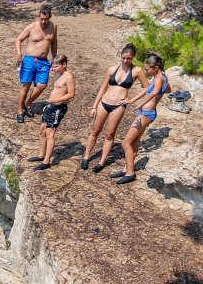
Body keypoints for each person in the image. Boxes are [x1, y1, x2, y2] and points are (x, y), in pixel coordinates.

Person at [81, 43, 148, 172]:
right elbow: (103, 88)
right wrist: (94, 106)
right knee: (95, 130)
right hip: (104, 102)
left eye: (128, 58)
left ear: (133, 57)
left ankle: (102, 161)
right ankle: (86, 156)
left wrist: (132, 99)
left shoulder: (136, 70)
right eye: (123, 57)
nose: (125, 60)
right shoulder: (112, 69)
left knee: (110, 134)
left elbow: (146, 87)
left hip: (118, 105)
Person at [110, 53, 171, 185]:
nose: (146, 71)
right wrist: (132, 100)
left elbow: (154, 92)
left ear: (155, 68)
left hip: (147, 113)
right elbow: (166, 90)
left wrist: (141, 104)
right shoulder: (161, 77)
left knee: (125, 143)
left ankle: (130, 172)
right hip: (145, 112)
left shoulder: (159, 78)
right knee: (135, 140)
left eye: (147, 69)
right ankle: (127, 168)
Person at [29, 55, 75, 171]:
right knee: (42, 129)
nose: (53, 69)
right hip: (51, 106)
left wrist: (55, 101)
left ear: (64, 64)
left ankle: (46, 161)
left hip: (58, 107)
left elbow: (71, 94)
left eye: (56, 66)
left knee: (50, 133)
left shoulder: (68, 76)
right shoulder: (60, 74)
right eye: (53, 67)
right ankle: (41, 155)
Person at [15, 4, 58, 123]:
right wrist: (19, 54)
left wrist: (55, 58)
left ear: (50, 17)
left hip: (44, 61)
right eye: (41, 19)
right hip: (29, 59)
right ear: (38, 16)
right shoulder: (32, 27)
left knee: (41, 85)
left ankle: (28, 103)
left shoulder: (53, 27)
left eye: (46, 19)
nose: (43, 21)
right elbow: (19, 39)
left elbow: (53, 43)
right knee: (26, 85)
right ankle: (19, 111)